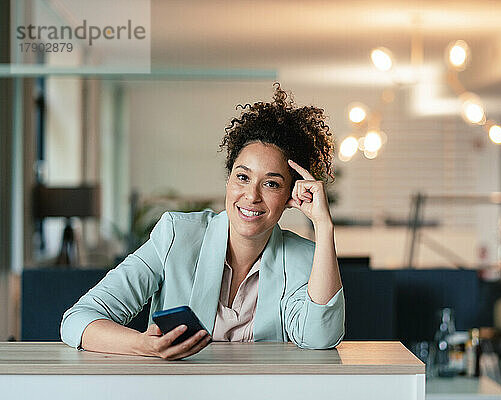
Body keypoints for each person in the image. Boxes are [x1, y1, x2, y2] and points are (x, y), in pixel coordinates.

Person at [60, 83, 345, 360]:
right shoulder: (177, 236)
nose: (251, 196)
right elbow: (77, 320)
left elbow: (320, 337)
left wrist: (324, 226)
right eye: (242, 177)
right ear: (228, 180)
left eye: (271, 184)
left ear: (290, 196)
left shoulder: (301, 257)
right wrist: (144, 346)